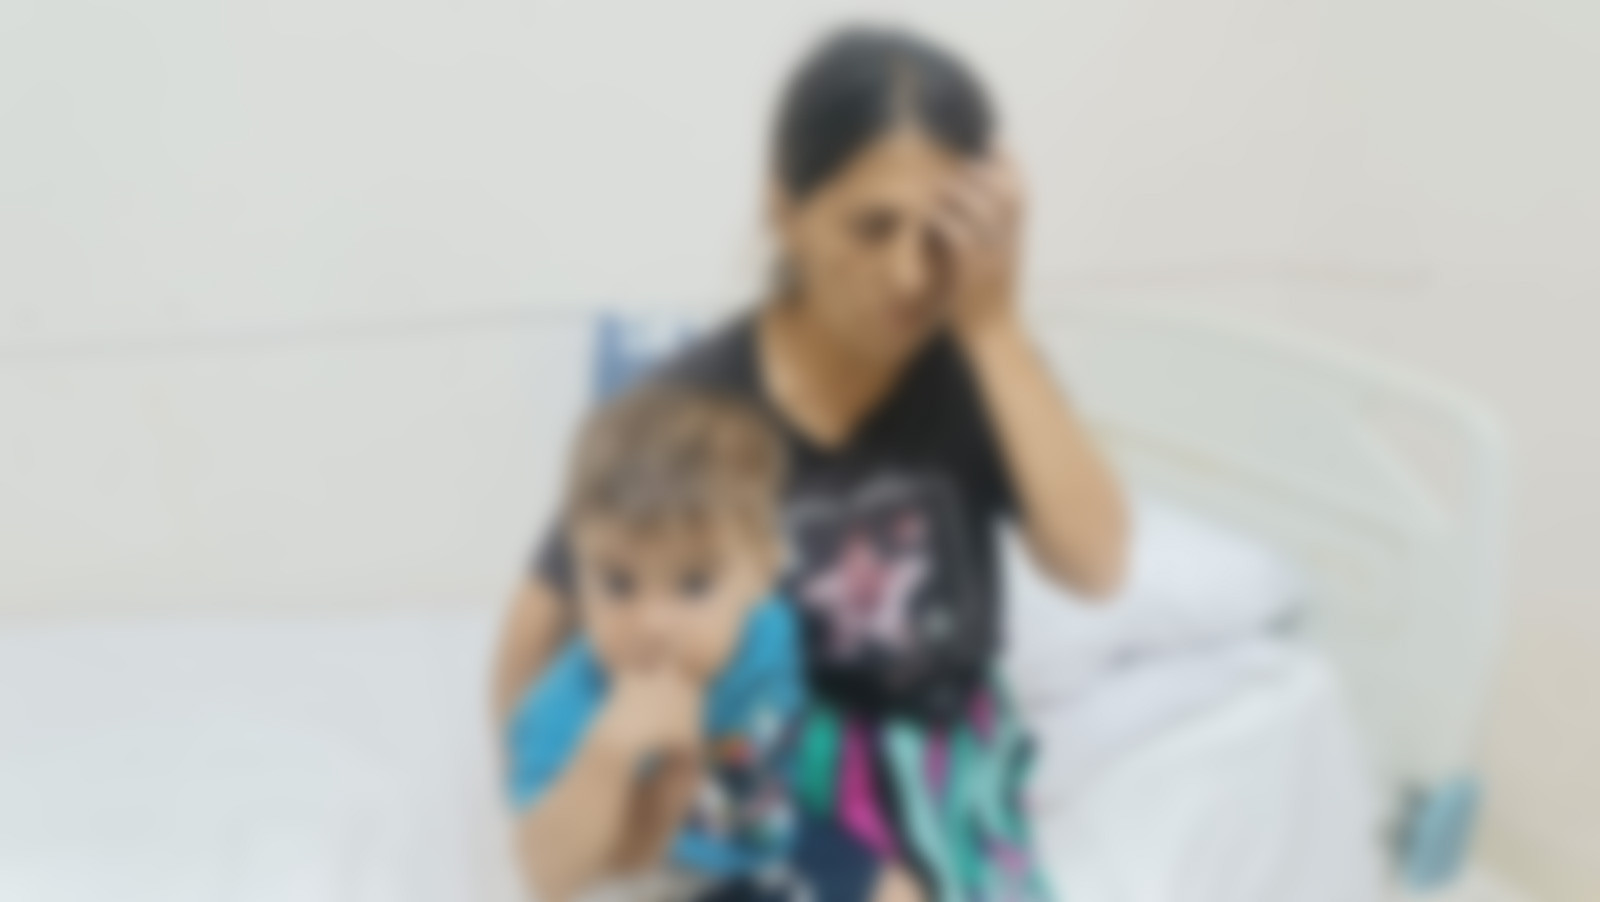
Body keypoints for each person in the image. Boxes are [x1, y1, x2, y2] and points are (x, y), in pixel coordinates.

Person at [496, 25, 1128, 902]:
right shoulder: (695, 408)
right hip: (776, 773)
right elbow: (541, 623)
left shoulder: (982, 367)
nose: (908, 275)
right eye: (871, 228)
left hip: (945, 764)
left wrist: (994, 326)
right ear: (784, 209)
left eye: (939, 235)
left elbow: (1098, 564)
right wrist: (557, 792)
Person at [506, 387, 921, 902]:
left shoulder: (772, 632)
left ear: (764, 569)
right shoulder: (566, 705)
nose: (653, 624)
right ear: (577, 567)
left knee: (897, 890)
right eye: (618, 583)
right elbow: (543, 875)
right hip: (661, 879)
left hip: (774, 842)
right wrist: (607, 753)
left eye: (694, 584)